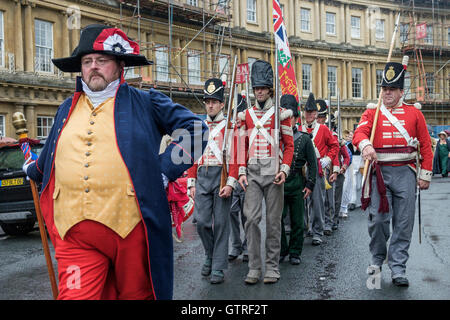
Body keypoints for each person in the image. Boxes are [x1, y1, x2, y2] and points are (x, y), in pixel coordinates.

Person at [22, 24, 208, 300]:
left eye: (102, 60)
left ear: (119, 65)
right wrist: (31, 169)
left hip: (131, 230)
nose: (93, 67)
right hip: (74, 234)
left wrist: (164, 170)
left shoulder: (146, 102)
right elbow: (49, 158)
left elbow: (197, 129)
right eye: (87, 62)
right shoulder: (65, 109)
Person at [353, 57, 433, 287]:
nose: (387, 93)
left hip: (406, 172)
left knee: (404, 222)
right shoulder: (372, 113)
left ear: (400, 91)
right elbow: (359, 133)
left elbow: (425, 145)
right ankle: (377, 260)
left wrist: (424, 174)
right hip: (379, 173)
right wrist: (365, 145)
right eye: (384, 88)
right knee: (377, 220)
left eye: (392, 89)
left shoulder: (414, 114)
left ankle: (398, 267)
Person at [237, 60, 294, 284]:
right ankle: (254, 267)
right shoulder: (247, 115)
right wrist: (241, 170)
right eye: (256, 88)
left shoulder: (282, 115)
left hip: (274, 171)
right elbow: (242, 145)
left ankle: (271, 267)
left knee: (273, 221)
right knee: (251, 219)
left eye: (262, 88)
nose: (259, 92)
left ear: (270, 89)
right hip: (252, 171)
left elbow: (288, 146)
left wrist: (286, 169)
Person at [187, 78, 238, 284]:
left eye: (214, 101)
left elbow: (236, 156)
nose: (210, 105)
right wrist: (191, 180)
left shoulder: (231, 127)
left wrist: (230, 183)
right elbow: (192, 154)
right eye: (208, 101)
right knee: (202, 222)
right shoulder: (199, 126)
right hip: (202, 175)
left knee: (222, 223)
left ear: (222, 104)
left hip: (222, 176)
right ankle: (210, 254)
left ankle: (218, 266)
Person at [279, 94, 317, 265]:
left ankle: (295, 251)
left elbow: (313, 164)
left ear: (296, 118)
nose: (289, 120)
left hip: (296, 182)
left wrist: (310, 184)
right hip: (278, 182)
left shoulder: (304, 138)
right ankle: (282, 249)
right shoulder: (275, 138)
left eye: (292, 117)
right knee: (276, 219)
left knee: (297, 220)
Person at [299, 94, 339, 246]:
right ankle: (305, 227)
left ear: (316, 115)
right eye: (307, 112)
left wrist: (327, 159)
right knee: (302, 201)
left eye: (311, 112)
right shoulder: (300, 129)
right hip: (302, 169)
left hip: (318, 169)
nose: (309, 115)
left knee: (317, 201)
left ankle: (317, 231)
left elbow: (334, 145)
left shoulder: (323, 129)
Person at [228, 93, 249, 263]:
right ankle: (235, 245)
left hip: (247, 177)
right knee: (231, 212)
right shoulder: (229, 131)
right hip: (231, 178)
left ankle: (248, 246)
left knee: (247, 214)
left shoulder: (249, 131)